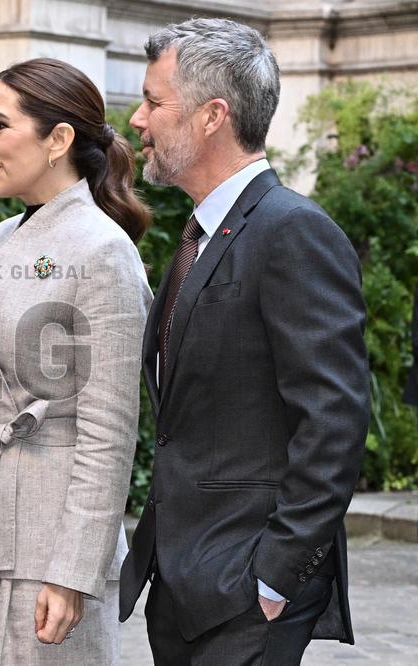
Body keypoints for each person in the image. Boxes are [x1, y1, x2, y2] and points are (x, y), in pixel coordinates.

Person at [118, 18, 370, 665]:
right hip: (181, 586)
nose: (137, 118)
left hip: (244, 597)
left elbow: (334, 422)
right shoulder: (201, 235)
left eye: (153, 100)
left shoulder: (292, 233)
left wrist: (274, 577)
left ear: (211, 116)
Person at [0, 58, 153, 664]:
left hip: (52, 543)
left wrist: (74, 571)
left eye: (0, 125)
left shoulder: (104, 250)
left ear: (58, 140)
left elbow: (109, 429)